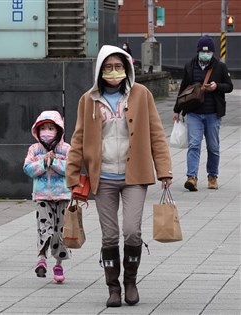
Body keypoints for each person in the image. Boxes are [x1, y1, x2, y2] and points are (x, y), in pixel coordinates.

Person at [66, 45, 173, 307]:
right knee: (110, 235)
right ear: (100, 70)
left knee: (132, 231)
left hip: (134, 175)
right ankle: (113, 287)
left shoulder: (141, 94)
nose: (114, 72)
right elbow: (78, 137)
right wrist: (72, 174)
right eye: (108, 67)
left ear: (127, 69)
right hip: (102, 178)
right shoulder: (88, 100)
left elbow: (156, 133)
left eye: (118, 67)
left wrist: (164, 170)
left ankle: (131, 282)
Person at [173, 35, 233, 191]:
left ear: (212, 52)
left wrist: (217, 86)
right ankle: (191, 177)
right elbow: (183, 89)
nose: (205, 54)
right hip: (194, 112)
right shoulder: (190, 66)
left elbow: (229, 86)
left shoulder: (220, 67)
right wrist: (177, 109)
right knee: (194, 145)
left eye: (208, 52)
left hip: (213, 113)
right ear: (198, 52)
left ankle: (212, 176)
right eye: (203, 52)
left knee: (213, 146)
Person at [23, 110, 72, 283]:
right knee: (45, 228)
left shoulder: (66, 149)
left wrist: (54, 162)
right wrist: (43, 162)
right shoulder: (34, 149)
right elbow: (28, 169)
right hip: (42, 196)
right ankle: (41, 259)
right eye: (43, 128)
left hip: (62, 196)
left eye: (51, 128)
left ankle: (58, 263)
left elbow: (71, 169)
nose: (47, 131)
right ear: (37, 130)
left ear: (58, 130)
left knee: (60, 231)